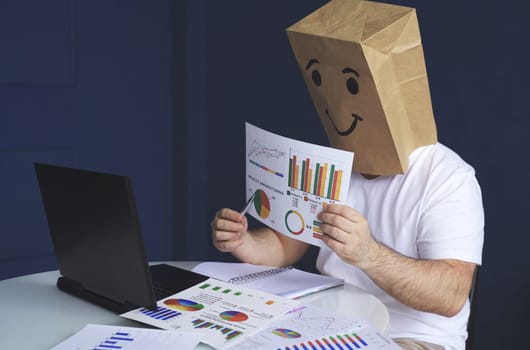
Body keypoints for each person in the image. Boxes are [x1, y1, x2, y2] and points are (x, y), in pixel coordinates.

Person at [211, 1, 484, 349]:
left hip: (414, 338)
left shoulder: (448, 178)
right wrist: (244, 243)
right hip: (329, 326)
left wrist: (368, 253)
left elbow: (450, 296)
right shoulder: (330, 165)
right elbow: (283, 246)